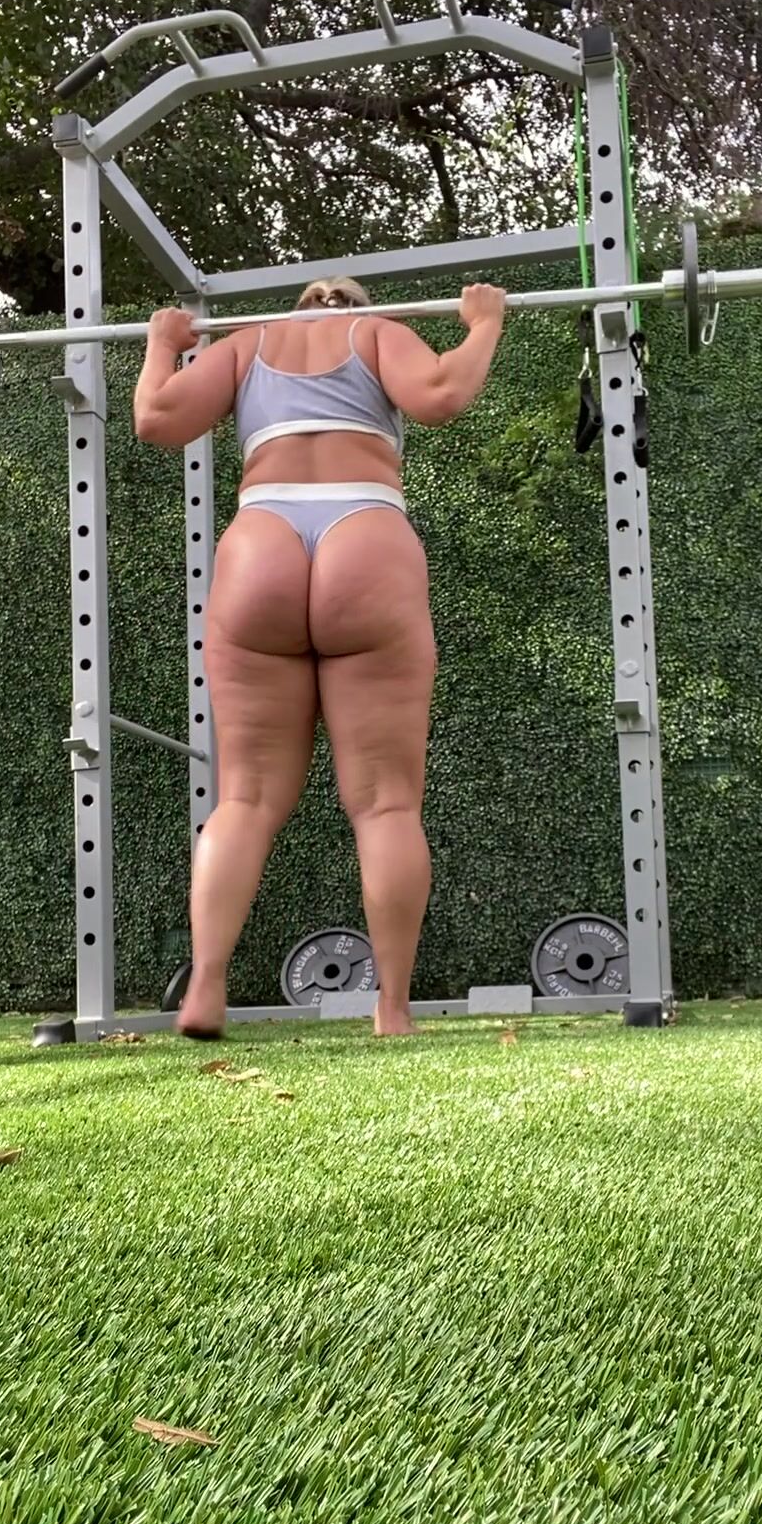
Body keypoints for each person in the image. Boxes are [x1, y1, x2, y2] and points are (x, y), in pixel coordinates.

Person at [133, 274, 507, 1038]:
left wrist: (161, 344)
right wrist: (484, 324)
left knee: (243, 798)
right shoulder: (376, 332)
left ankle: (205, 987)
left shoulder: (246, 344)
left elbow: (157, 418)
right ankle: (392, 1008)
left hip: (260, 544)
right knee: (387, 803)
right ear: (357, 306)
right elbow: (441, 395)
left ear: (301, 307)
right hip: (365, 536)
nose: (332, 295)